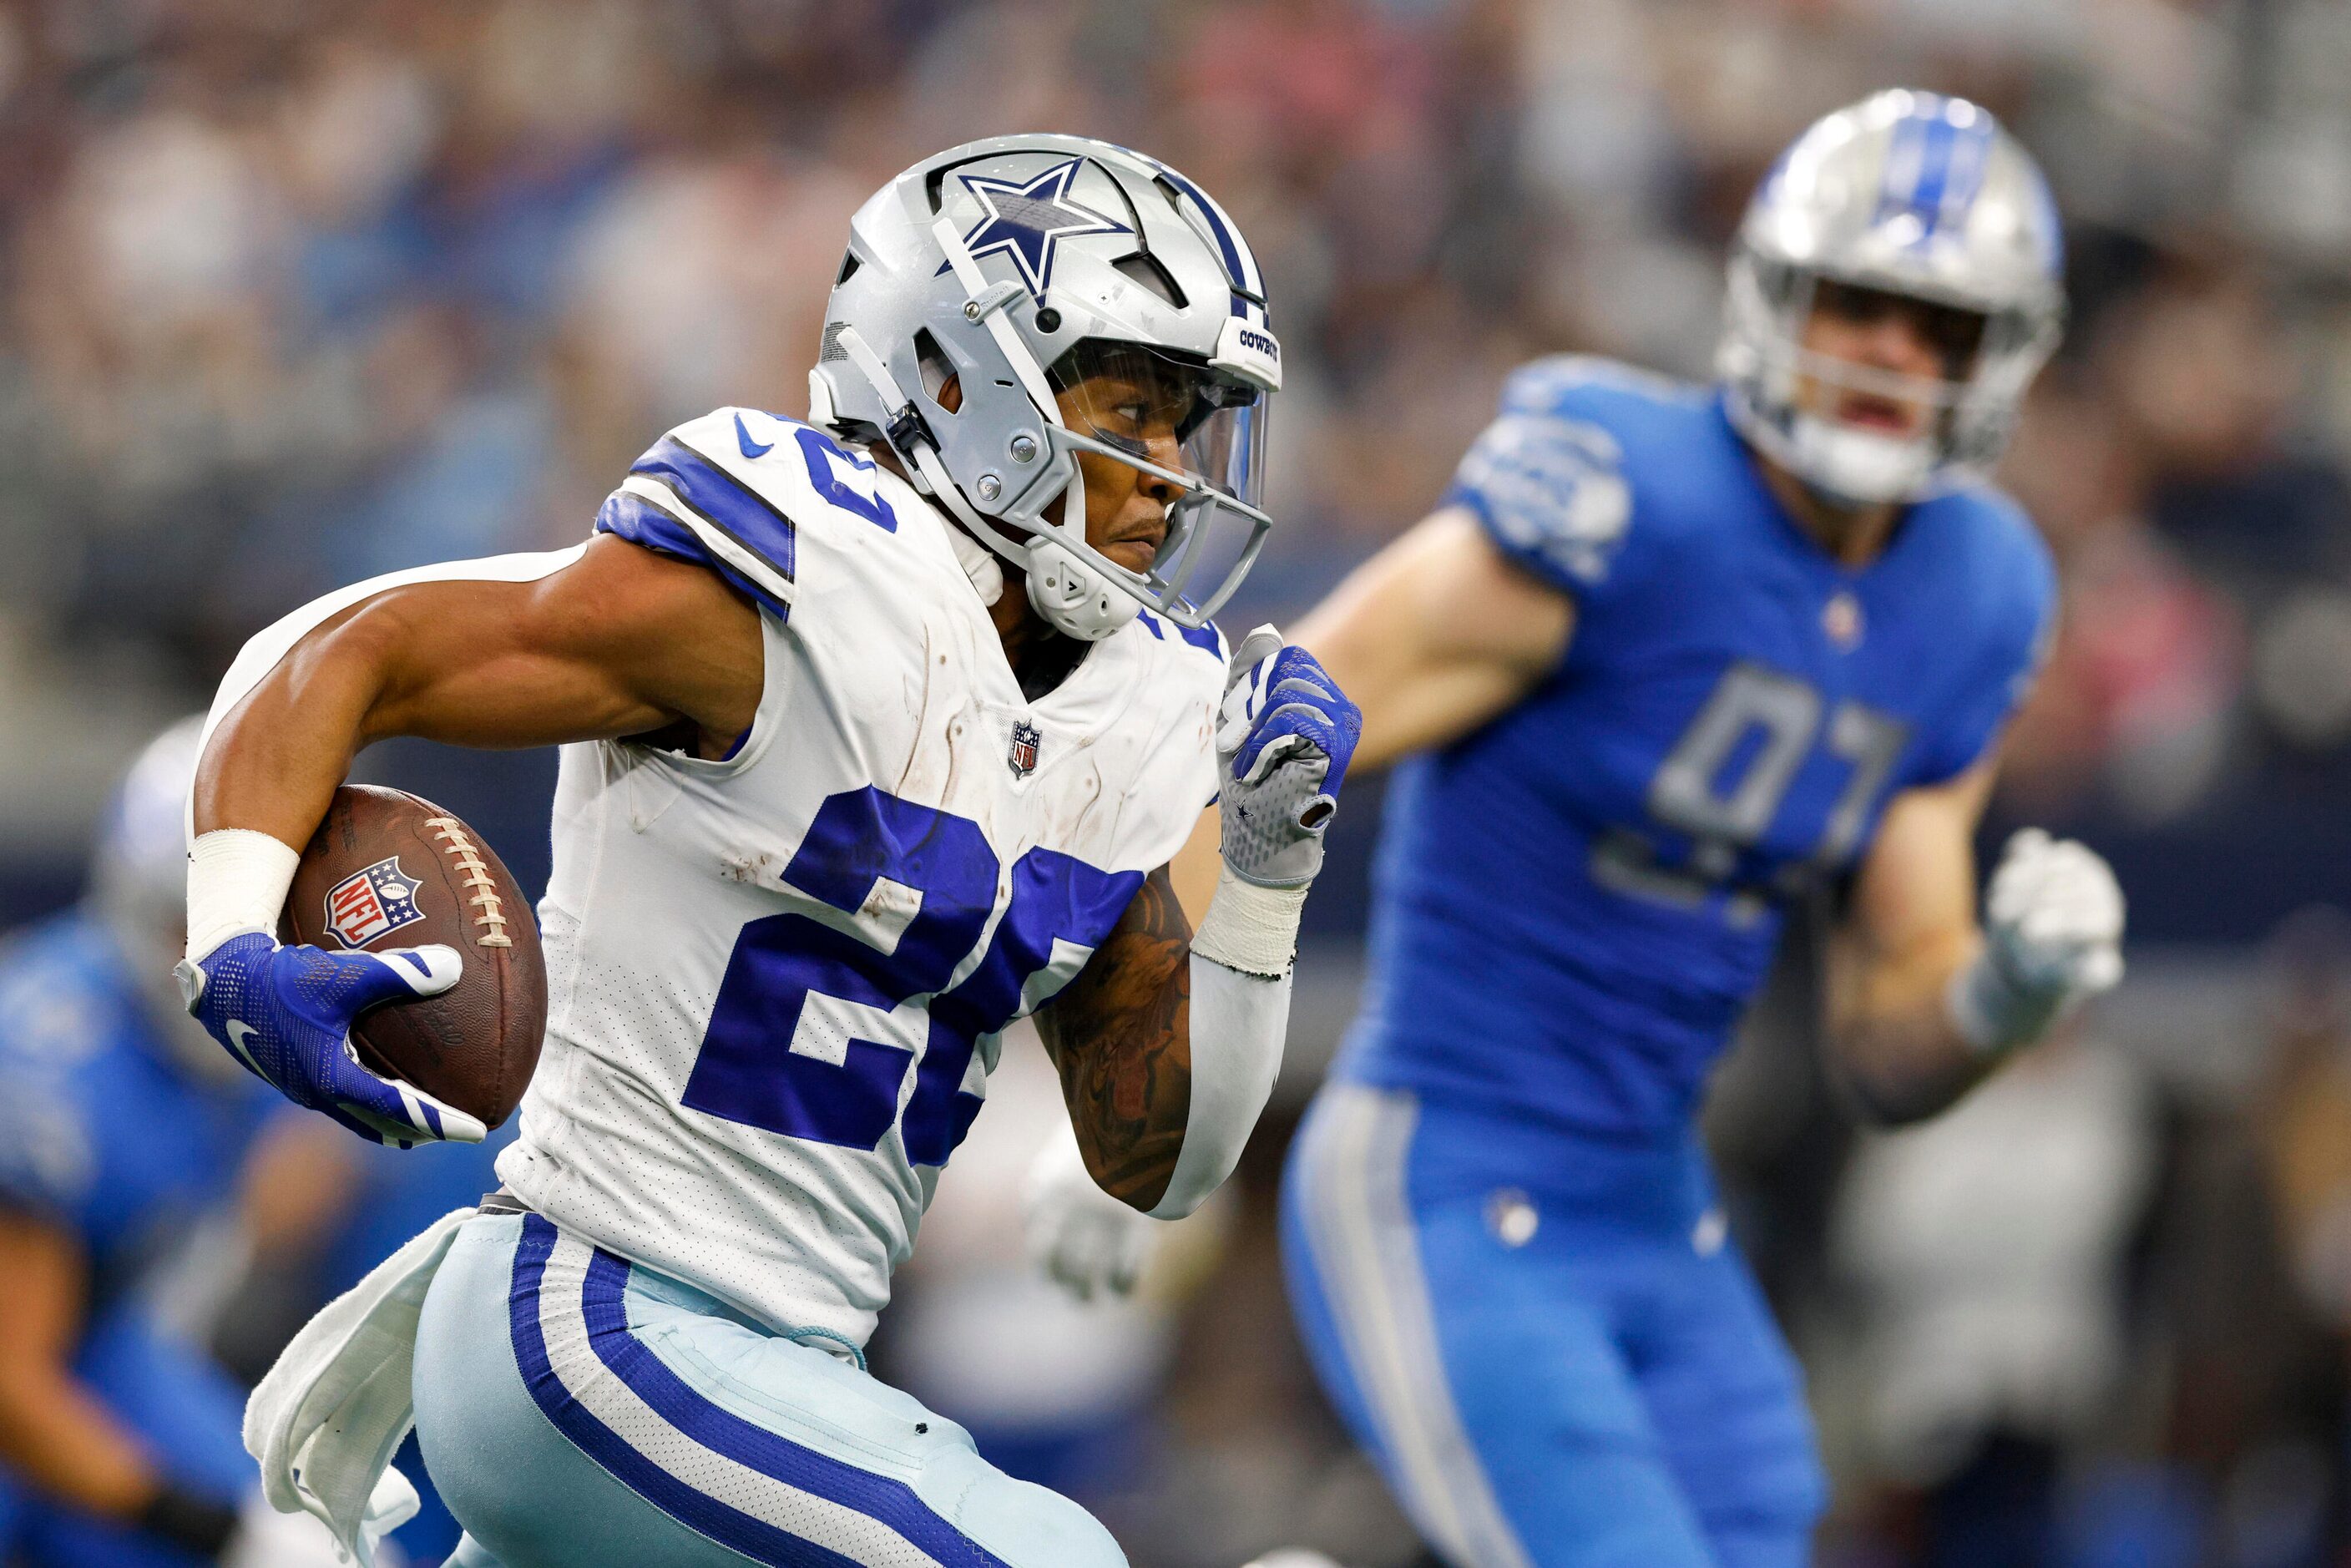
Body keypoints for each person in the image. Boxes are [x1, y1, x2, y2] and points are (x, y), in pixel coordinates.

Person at [173, 134, 1359, 1568]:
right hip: (596, 1313)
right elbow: (347, 647)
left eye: (1192, 424)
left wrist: (1266, 877)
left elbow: (1162, 1159)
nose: (1173, 475)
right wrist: (235, 932)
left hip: (785, 1379)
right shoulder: (796, 571)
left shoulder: (1142, 706)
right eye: (1134, 410)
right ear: (955, 380)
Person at [1029, 90, 2128, 1567]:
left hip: (1661, 1207)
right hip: (1446, 1167)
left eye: (1938, 326)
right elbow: (1269, 729)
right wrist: (1126, 1092)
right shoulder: (1628, 493)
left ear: (2005, 356)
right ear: (1776, 292)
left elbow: (1888, 1034)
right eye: (1861, 303)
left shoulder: (1977, 589)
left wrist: (2005, 988)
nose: (1888, 352)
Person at [0, 720, 352, 1568]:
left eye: (265, 932)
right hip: (41, 1370)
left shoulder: (235, 1041)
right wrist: (207, 1527)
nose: (236, 966)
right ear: (135, 904)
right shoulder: (53, 1071)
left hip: (107, 1341)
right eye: (197, 929)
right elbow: (13, 1383)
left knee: (333, 1538)